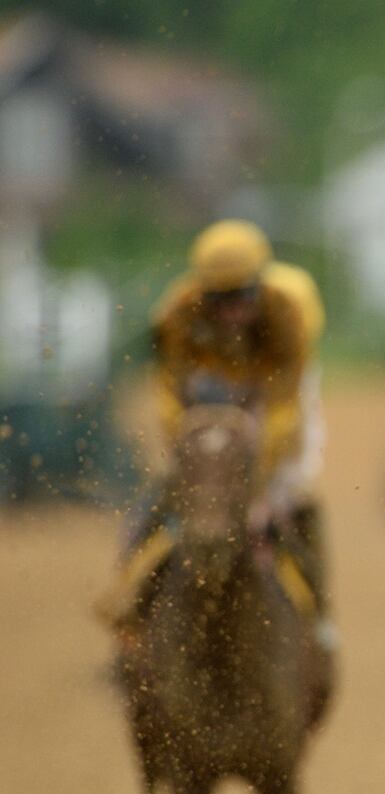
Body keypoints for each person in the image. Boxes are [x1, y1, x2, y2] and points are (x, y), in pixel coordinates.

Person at [99, 219, 334, 651]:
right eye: (218, 300)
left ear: (259, 287)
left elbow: (285, 406)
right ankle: (126, 599)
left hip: (270, 395)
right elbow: (169, 396)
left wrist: (259, 474)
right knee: (167, 492)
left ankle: (318, 618)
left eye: (241, 298)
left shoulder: (289, 311)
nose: (230, 313)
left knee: (295, 499)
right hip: (209, 400)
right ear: (202, 291)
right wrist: (191, 452)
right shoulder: (177, 313)